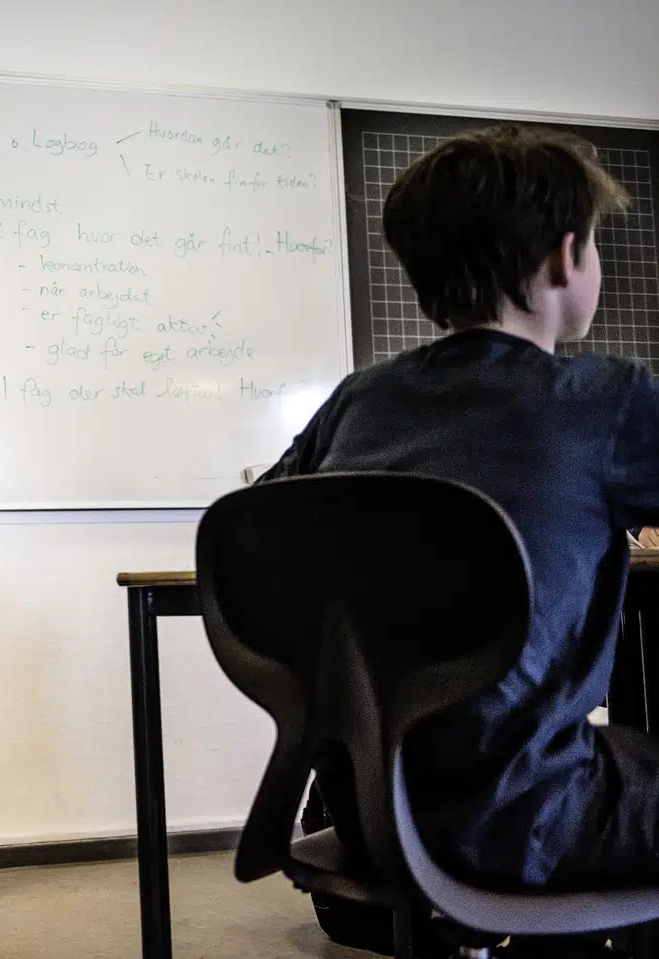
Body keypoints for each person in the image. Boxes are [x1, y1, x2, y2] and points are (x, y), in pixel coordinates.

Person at [263, 125, 652, 951]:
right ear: (564, 257)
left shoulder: (359, 400)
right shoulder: (604, 399)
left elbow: (258, 526)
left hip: (371, 815)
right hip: (537, 814)